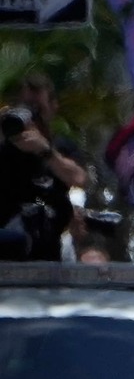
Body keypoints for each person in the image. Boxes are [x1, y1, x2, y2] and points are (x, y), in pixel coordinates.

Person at [0, 72, 88, 261]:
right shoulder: (5, 148)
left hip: (48, 254)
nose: (32, 114)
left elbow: (79, 178)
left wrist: (45, 151)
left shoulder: (61, 146)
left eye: (38, 108)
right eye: (26, 107)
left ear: (53, 107)